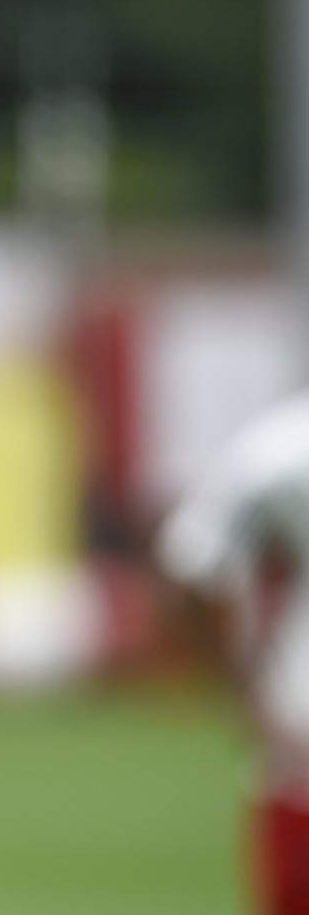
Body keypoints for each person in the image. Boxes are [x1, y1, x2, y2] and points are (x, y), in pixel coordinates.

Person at [157, 391, 309, 915]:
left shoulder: (278, 448)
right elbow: (193, 564)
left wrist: (238, 688)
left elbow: (191, 560)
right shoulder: (279, 452)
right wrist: (239, 685)